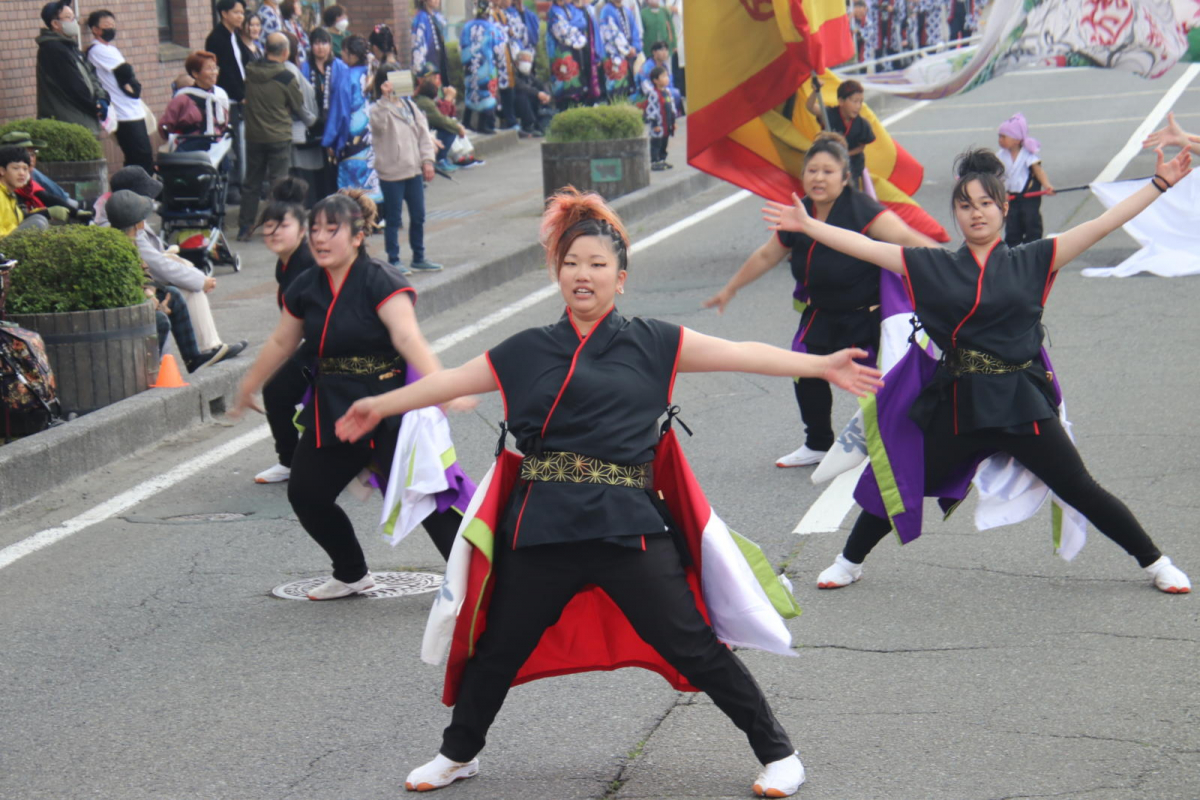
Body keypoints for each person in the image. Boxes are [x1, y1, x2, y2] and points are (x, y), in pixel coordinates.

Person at [334, 187, 884, 797]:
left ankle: (779, 753)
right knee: (499, 648)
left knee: (692, 645)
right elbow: (451, 380)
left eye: (597, 264)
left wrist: (820, 365)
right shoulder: (525, 350)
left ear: (620, 278)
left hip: (628, 525)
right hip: (542, 526)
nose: (583, 274)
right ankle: (458, 754)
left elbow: (740, 353)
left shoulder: (654, 342)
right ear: (558, 273)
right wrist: (378, 404)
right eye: (572, 263)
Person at [762, 145, 1193, 595]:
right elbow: (868, 247)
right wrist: (809, 225)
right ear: (956, 213)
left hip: (1021, 402)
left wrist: (1159, 184)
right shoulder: (933, 265)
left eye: (986, 203)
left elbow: (1103, 223)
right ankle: (848, 562)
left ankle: (1156, 562)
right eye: (965, 205)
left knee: (1080, 486)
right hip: (958, 402)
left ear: (1004, 208)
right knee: (906, 477)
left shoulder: (1035, 259)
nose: (976, 213)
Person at [230, 192, 469, 599]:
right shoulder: (307, 286)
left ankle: (476, 583)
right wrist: (248, 384)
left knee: (427, 496)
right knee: (307, 494)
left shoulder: (381, 280)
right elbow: (282, 342)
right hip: (336, 408)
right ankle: (352, 572)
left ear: (357, 237)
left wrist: (444, 387)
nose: (320, 238)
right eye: (315, 229)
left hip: (390, 405)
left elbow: (407, 338)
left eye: (332, 229)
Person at [705, 133, 937, 467]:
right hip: (821, 315)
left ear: (845, 178)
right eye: (812, 171)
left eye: (828, 171)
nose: (818, 178)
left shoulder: (864, 211)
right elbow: (768, 254)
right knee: (805, 373)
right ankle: (817, 443)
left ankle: (897, 442)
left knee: (882, 382)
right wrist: (731, 288)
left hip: (868, 317)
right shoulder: (799, 214)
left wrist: (957, 269)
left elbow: (908, 240)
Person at [106, 190, 229, 374]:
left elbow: (144, 273)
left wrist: (151, 291)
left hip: (142, 297)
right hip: (127, 306)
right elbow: (123, 288)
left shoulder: (131, 241)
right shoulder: (117, 247)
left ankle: (193, 358)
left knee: (174, 295)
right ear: (138, 224)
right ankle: (151, 372)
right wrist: (148, 299)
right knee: (160, 320)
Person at [253, 177, 316, 483]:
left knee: (278, 390)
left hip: (337, 341)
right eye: (269, 226)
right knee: (279, 389)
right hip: (316, 341)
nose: (275, 232)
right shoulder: (285, 263)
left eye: (283, 225)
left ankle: (294, 461)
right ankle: (291, 461)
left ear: (302, 230)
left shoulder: (308, 260)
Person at [238, 32, 312, 240]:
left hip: (254, 135)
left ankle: (245, 226)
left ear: (266, 50)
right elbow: (298, 104)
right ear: (286, 52)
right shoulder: (286, 77)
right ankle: (277, 225)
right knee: (278, 184)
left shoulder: (250, 72)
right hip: (278, 135)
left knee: (251, 182)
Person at [370, 67, 442, 275]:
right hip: (391, 172)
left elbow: (423, 134)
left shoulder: (410, 105)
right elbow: (378, 126)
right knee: (393, 218)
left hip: (414, 169)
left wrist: (427, 161)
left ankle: (419, 256)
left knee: (418, 215)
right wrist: (385, 99)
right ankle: (394, 259)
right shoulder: (377, 108)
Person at [85, 10, 154, 175]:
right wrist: (132, 86)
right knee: (138, 156)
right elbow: (125, 71)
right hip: (123, 112)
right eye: (107, 25)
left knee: (142, 156)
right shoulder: (97, 50)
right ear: (95, 29)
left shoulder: (111, 49)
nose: (111, 29)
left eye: (113, 25)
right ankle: (135, 188)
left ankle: (139, 188)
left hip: (133, 110)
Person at [36, 1, 109, 136]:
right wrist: (95, 107)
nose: (75, 22)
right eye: (69, 18)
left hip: (82, 119)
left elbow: (91, 73)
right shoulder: (53, 49)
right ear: (55, 24)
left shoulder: (71, 47)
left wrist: (102, 98)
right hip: (70, 124)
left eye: (74, 17)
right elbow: (74, 86)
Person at [324, 35, 381, 202]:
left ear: (353, 55)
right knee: (374, 180)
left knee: (353, 187)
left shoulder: (347, 76)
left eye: (343, 51)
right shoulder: (377, 71)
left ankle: (357, 213)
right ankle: (376, 212)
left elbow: (339, 111)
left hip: (353, 136)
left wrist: (331, 140)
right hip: (375, 133)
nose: (341, 54)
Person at [205, 0, 252, 200]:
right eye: (236, 12)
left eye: (242, 13)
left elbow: (244, 63)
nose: (241, 17)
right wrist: (240, 95)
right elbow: (224, 71)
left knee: (243, 143)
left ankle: (243, 182)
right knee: (231, 143)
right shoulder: (217, 38)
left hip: (241, 96)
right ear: (224, 13)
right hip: (228, 99)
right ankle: (232, 185)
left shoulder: (235, 36)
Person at [158, 50, 231, 163]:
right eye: (209, 69)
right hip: (190, 151)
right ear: (195, 74)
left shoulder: (220, 96)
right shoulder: (182, 98)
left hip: (217, 148)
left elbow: (224, 125)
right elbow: (165, 126)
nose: (214, 72)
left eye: (215, 68)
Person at [805, 78, 875, 188]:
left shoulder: (862, 124)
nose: (858, 106)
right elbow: (810, 107)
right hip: (829, 162)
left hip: (852, 165)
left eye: (860, 102)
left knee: (850, 190)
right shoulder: (828, 115)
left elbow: (861, 147)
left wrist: (844, 154)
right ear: (841, 101)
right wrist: (815, 91)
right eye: (854, 101)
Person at [997, 113, 1054, 247]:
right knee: (1012, 224)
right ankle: (1012, 248)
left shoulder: (1027, 155)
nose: (1000, 140)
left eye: (1004, 137)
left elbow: (1038, 171)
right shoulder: (999, 156)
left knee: (1031, 220)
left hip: (1028, 195)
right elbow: (996, 176)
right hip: (1010, 196)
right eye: (999, 136)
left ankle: (1033, 246)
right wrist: (1001, 193)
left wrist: (1047, 185)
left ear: (1016, 140)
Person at [300, 28, 343, 203]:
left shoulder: (338, 66)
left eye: (324, 43)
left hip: (333, 120)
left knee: (334, 165)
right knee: (318, 165)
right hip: (314, 122)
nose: (320, 47)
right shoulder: (305, 67)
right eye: (316, 43)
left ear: (330, 45)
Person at [460, 0, 505, 135]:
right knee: (486, 94)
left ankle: (466, 122)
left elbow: (462, 46)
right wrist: (499, 62)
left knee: (471, 93)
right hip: (486, 67)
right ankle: (483, 125)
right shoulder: (491, 28)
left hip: (470, 67)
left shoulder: (467, 27)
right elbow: (499, 50)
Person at [413, 66, 468, 166]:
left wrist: (450, 102)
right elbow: (440, 117)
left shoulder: (436, 92)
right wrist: (448, 99)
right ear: (421, 80)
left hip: (432, 126)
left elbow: (449, 115)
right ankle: (441, 159)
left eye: (436, 77)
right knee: (450, 127)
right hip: (426, 129)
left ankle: (463, 155)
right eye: (431, 78)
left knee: (453, 122)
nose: (435, 80)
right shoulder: (421, 97)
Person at [546, 0, 594, 110]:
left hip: (575, 52)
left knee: (578, 83)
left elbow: (583, 22)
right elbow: (562, 31)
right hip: (561, 52)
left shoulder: (570, 8)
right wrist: (574, 26)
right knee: (565, 86)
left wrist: (569, 24)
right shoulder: (553, 12)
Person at [488, 0, 522, 131]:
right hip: (494, 56)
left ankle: (510, 119)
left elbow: (515, 31)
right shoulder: (488, 13)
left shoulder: (502, 13)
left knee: (508, 88)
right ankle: (502, 119)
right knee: (496, 90)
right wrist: (507, 30)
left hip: (506, 54)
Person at [598, 0, 641, 100]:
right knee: (616, 88)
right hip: (613, 55)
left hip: (628, 55)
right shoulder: (606, 11)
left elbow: (635, 30)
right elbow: (612, 33)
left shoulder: (627, 11)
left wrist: (635, 47)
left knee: (628, 86)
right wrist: (627, 49)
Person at [512, 49, 553, 137]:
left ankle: (540, 124)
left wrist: (546, 94)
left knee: (537, 96)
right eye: (524, 61)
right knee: (523, 96)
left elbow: (540, 84)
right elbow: (521, 86)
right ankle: (528, 126)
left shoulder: (528, 75)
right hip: (513, 103)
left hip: (527, 102)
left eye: (529, 62)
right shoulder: (512, 74)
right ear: (517, 63)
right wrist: (537, 93)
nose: (527, 64)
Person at [413, 0, 451, 88]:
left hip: (439, 62)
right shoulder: (421, 19)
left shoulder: (437, 17)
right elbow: (418, 47)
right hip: (429, 67)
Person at [644, 65, 675, 171]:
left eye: (667, 76)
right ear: (656, 80)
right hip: (658, 125)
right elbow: (651, 110)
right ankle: (655, 161)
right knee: (656, 143)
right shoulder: (653, 94)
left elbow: (671, 107)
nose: (667, 78)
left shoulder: (667, 92)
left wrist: (673, 122)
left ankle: (662, 159)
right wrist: (655, 124)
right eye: (663, 76)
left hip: (666, 124)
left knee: (664, 142)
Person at [0, 147, 31, 237]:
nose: (22, 173)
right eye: (16, 168)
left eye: (25, 169)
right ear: (2, 171)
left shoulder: (10, 194)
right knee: (38, 222)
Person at [279, 0, 308, 64]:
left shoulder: (297, 25)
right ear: (289, 6)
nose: (300, 6)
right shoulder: (284, 25)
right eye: (298, 4)